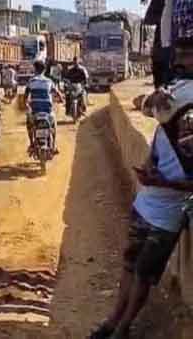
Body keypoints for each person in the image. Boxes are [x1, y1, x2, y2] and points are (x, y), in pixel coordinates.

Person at [88, 82, 193, 339]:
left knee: (142, 274)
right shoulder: (161, 133)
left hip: (167, 218)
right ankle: (113, 322)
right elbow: (152, 160)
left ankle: (122, 328)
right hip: (145, 207)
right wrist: (149, 172)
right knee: (129, 266)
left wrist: (161, 182)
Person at [26, 60, 63, 150]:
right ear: (44, 70)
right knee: (53, 126)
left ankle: (31, 144)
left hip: (35, 111)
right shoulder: (49, 81)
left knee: (29, 125)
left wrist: (26, 104)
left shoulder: (31, 81)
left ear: (35, 69)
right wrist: (61, 99)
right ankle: (53, 145)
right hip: (48, 110)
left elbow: (26, 95)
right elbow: (57, 93)